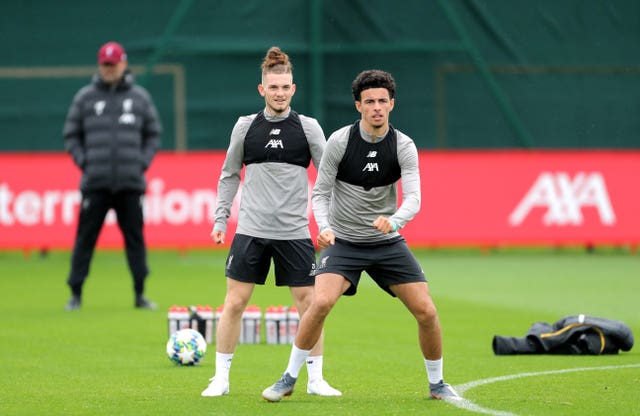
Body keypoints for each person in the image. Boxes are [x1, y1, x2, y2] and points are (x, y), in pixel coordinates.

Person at [262, 69, 460, 402]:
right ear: (359, 106)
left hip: (387, 242)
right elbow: (321, 193)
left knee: (426, 311)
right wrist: (324, 227)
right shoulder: (340, 142)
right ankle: (288, 378)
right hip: (345, 243)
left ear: (392, 104)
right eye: (370, 102)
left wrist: (395, 221)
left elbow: (414, 198)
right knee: (320, 302)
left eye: (383, 101)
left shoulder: (404, 146)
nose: (377, 107)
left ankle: (438, 384)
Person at [200, 46, 341, 397]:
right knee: (234, 303)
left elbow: (328, 180)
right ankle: (221, 378)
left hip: (294, 233)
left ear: (294, 89)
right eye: (273, 87)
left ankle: (316, 380)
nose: (279, 93)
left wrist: (327, 223)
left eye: (285, 87)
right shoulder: (246, 126)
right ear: (262, 89)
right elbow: (229, 174)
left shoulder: (308, 128)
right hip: (250, 231)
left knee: (310, 306)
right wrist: (221, 218)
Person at [63, 41, 161, 311]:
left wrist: (141, 162)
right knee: (85, 238)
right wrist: (86, 162)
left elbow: (153, 134)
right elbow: (71, 135)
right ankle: (76, 293)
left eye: (113, 64)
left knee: (135, 240)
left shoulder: (140, 98)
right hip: (96, 182)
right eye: (105, 64)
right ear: (100, 65)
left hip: (130, 183)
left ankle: (140, 294)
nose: (109, 69)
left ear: (123, 64)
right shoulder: (85, 97)